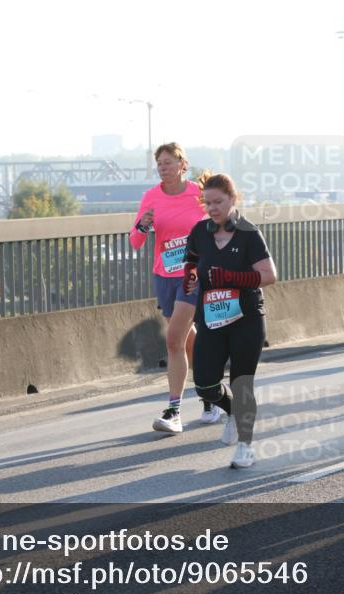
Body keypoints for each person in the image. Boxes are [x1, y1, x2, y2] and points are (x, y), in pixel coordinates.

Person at [183, 174, 277, 469]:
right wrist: (191, 277)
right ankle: (233, 412)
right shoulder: (199, 231)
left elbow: (269, 276)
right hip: (211, 318)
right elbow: (191, 260)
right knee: (205, 385)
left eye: (218, 202)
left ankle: (245, 447)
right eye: (207, 203)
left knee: (242, 382)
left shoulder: (249, 233)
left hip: (246, 319)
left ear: (232, 199)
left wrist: (233, 278)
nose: (212, 208)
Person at [129, 143, 220, 434]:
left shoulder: (198, 194)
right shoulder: (151, 197)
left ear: (183, 164)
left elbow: (221, 222)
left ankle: (173, 411)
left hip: (194, 274)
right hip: (165, 274)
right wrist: (143, 226)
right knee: (184, 338)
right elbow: (135, 241)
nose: (163, 167)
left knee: (172, 340)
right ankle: (211, 392)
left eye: (168, 162)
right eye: (159, 163)